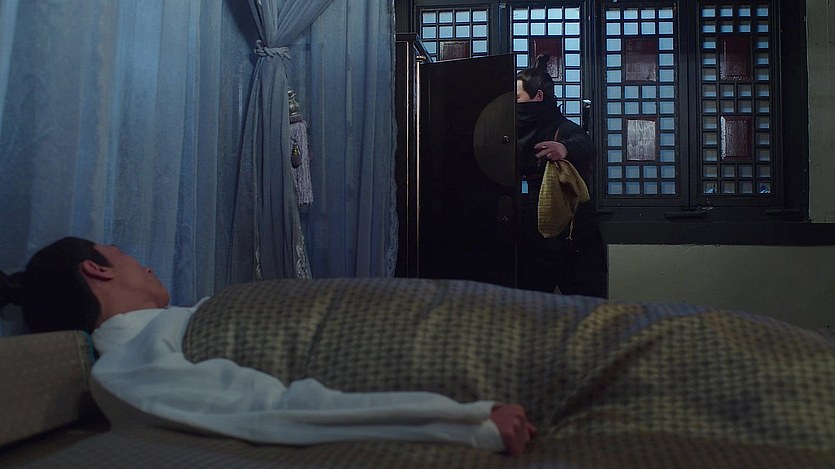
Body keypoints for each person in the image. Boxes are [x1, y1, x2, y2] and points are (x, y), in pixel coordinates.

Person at [0, 237, 536, 455]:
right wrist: (462, 422)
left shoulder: (171, 324)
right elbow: (274, 408)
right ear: (96, 270)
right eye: (121, 252)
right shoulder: (126, 365)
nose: (145, 263)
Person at [515, 53, 607, 297]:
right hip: (528, 232)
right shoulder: (509, 130)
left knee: (584, 302)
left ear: (538, 97)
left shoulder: (562, 128)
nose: (515, 106)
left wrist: (564, 148)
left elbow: (586, 146)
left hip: (571, 233)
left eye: (518, 98)